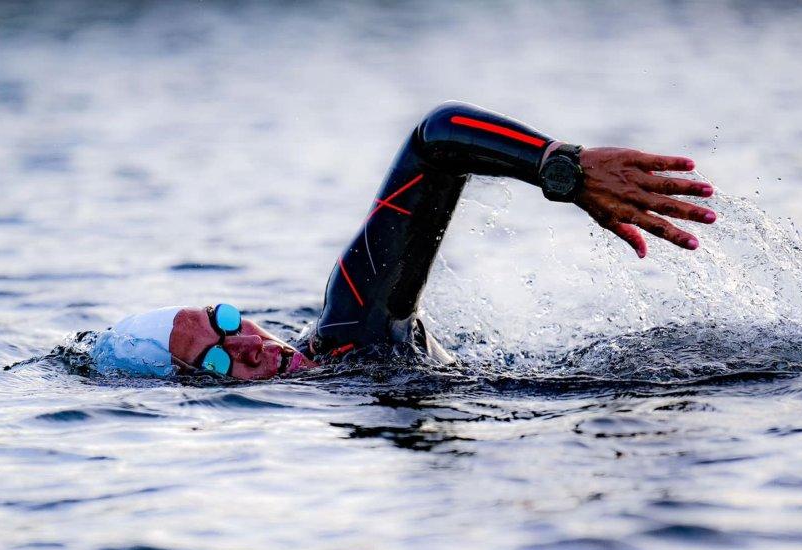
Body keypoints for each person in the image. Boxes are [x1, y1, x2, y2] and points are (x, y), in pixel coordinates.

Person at [90, 101, 716, 381]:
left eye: (225, 321)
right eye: (216, 361)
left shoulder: (349, 325)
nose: (248, 346)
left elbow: (435, 137)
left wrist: (563, 168)